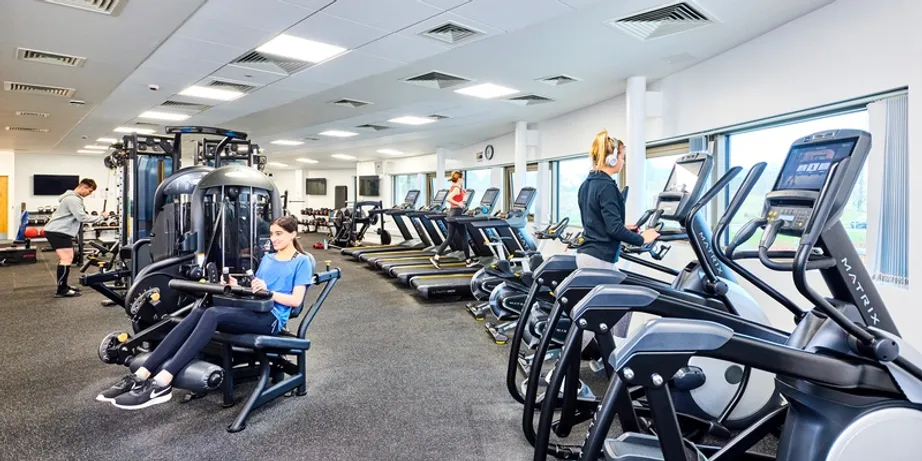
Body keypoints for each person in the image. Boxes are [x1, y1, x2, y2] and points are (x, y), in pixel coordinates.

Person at [96, 215, 314, 410]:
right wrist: (234, 282)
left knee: (212, 314)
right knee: (201, 310)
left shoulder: (301, 262)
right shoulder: (268, 258)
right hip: (251, 308)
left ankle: (163, 381)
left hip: (271, 319)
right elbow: (254, 287)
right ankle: (141, 374)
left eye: (279, 234)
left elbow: (295, 300)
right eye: (271, 234)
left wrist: (269, 292)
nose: (273, 239)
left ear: (293, 234)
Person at [576, 130, 659, 338]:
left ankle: (594, 356)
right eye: (622, 157)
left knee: (596, 310)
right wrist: (642, 239)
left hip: (588, 255)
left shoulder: (587, 184)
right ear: (612, 158)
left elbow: (596, 222)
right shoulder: (606, 186)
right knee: (615, 308)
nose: (622, 162)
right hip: (600, 258)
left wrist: (625, 228)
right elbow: (613, 229)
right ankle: (615, 355)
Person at [42, 178, 102, 298]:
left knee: (67, 259)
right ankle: (61, 290)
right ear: (83, 187)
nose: (89, 194)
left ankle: (64, 285)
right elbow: (81, 217)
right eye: (89, 191)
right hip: (57, 231)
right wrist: (101, 218)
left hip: (58, 231)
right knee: (66, 259)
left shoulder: (71, 197)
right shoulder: (73, 199)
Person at [430, 170, 476, 269]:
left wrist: (462, 195)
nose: (463, 180)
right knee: (463, 237)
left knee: (452, 237)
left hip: (454, 213)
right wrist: (458, 203)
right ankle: (468, 261)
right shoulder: (456, 188)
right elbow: (448, 198)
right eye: (462, 178)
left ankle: (437, 257)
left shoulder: (456, 187)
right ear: (459, 179)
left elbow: (457, 198)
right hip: (456, 214)